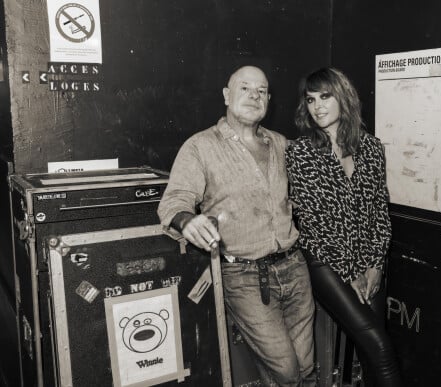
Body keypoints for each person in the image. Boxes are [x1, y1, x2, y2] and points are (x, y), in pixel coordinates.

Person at [158, 65, 316, 386]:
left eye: (261, 91)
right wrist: (187, 221)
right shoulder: (200, 146)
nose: (254, 96)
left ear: (268, 99)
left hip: (294, 268)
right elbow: (173, 202)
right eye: (245, 88)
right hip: (244, 277)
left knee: (307, 368)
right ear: (227, 96)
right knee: (286, 372)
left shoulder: (282, 145)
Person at [285, 67, 403, 387]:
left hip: (369, 260)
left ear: (343, 97)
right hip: (324, 260)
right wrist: (351, 273)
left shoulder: (372, 148)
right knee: (379, 345)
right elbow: (313, 222)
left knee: (370, 353)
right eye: (310, 99)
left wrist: (376, 264)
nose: (318, 106)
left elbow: (380, 210)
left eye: (325, 96)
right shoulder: (301, 152)